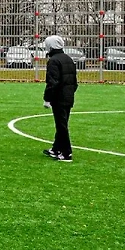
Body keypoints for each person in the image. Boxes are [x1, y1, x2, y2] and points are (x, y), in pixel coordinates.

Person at [42, 34, 78, 162]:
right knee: (62, 123)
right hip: (68, 97)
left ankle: (66, 152)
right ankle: (56, 148)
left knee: (61, 125)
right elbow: (74, 82)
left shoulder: (54, 61)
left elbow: (52, 82)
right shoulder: (68, 59)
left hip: (59, 98)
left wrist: (47, 98)